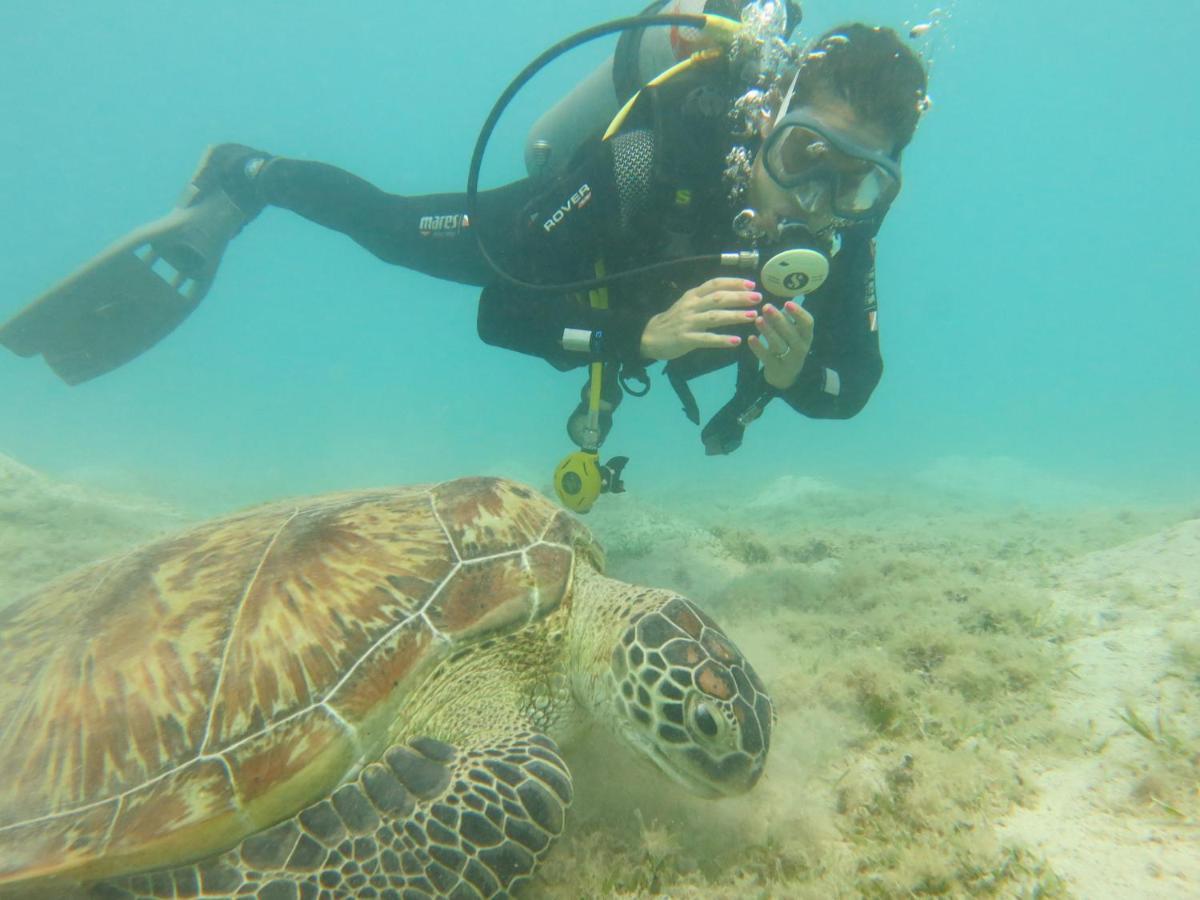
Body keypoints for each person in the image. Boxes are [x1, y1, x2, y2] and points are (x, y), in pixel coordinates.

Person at [0, 1, 928, 503]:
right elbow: (505, 312)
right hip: (561, 237)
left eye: (856, 181)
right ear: (768, 120)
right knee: (399, 230)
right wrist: (637, 339)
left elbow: (852, 393)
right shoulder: (650, 156)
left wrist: (802, 373)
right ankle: (249, 176)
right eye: (806, 155)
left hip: (618, 303)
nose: (818, 201)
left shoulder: (843, 234)